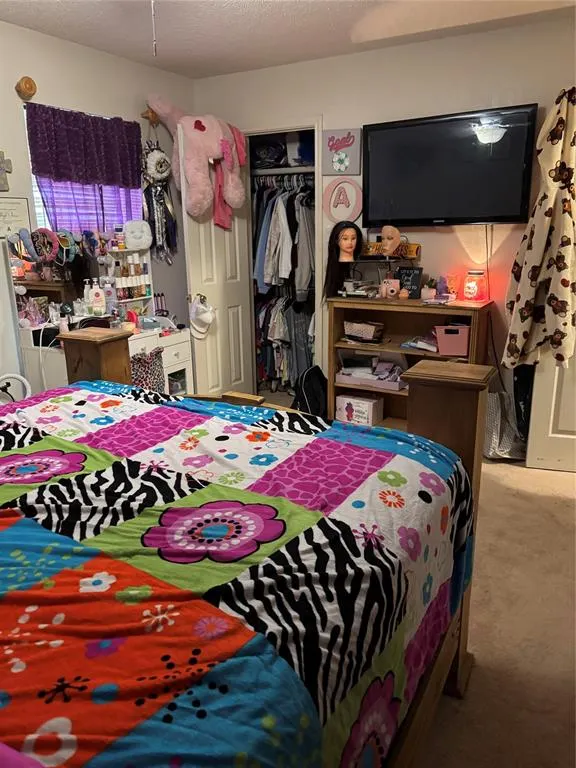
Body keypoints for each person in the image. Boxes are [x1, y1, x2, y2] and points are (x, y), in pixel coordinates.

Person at [323, 221, 364, 299]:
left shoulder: (360, 264)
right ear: (336, 240)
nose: (350, 242)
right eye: (345, 239)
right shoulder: (335, 268)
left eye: (353, 238)